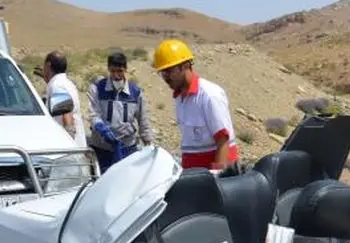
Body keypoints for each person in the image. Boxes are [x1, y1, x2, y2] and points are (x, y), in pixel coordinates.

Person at [151, 38, 239, 171]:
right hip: (196, 176)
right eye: (162, 73)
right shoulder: (179, 97)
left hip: (214, 178)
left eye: (169, 71)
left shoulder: (209, 95)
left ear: (185, 66)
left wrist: (217, 179)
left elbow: (223, 141)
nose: (165, 77)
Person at [87, 51, 154, 171]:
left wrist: (149, 143)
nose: (116, 75)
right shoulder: (97, 88)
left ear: (126, 70)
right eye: (113, 71)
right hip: (102, 148)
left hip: (127, 147)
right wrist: (101, 127)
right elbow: (93, 113)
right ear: (108, 69)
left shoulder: (135, 92)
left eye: (120, 71)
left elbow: (143, 120)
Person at [42, 51, 87, 148]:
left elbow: (66, 115)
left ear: (48, 65)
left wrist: (68, 143)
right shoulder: (66, 83)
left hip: (67, 149)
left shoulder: (57, 86)